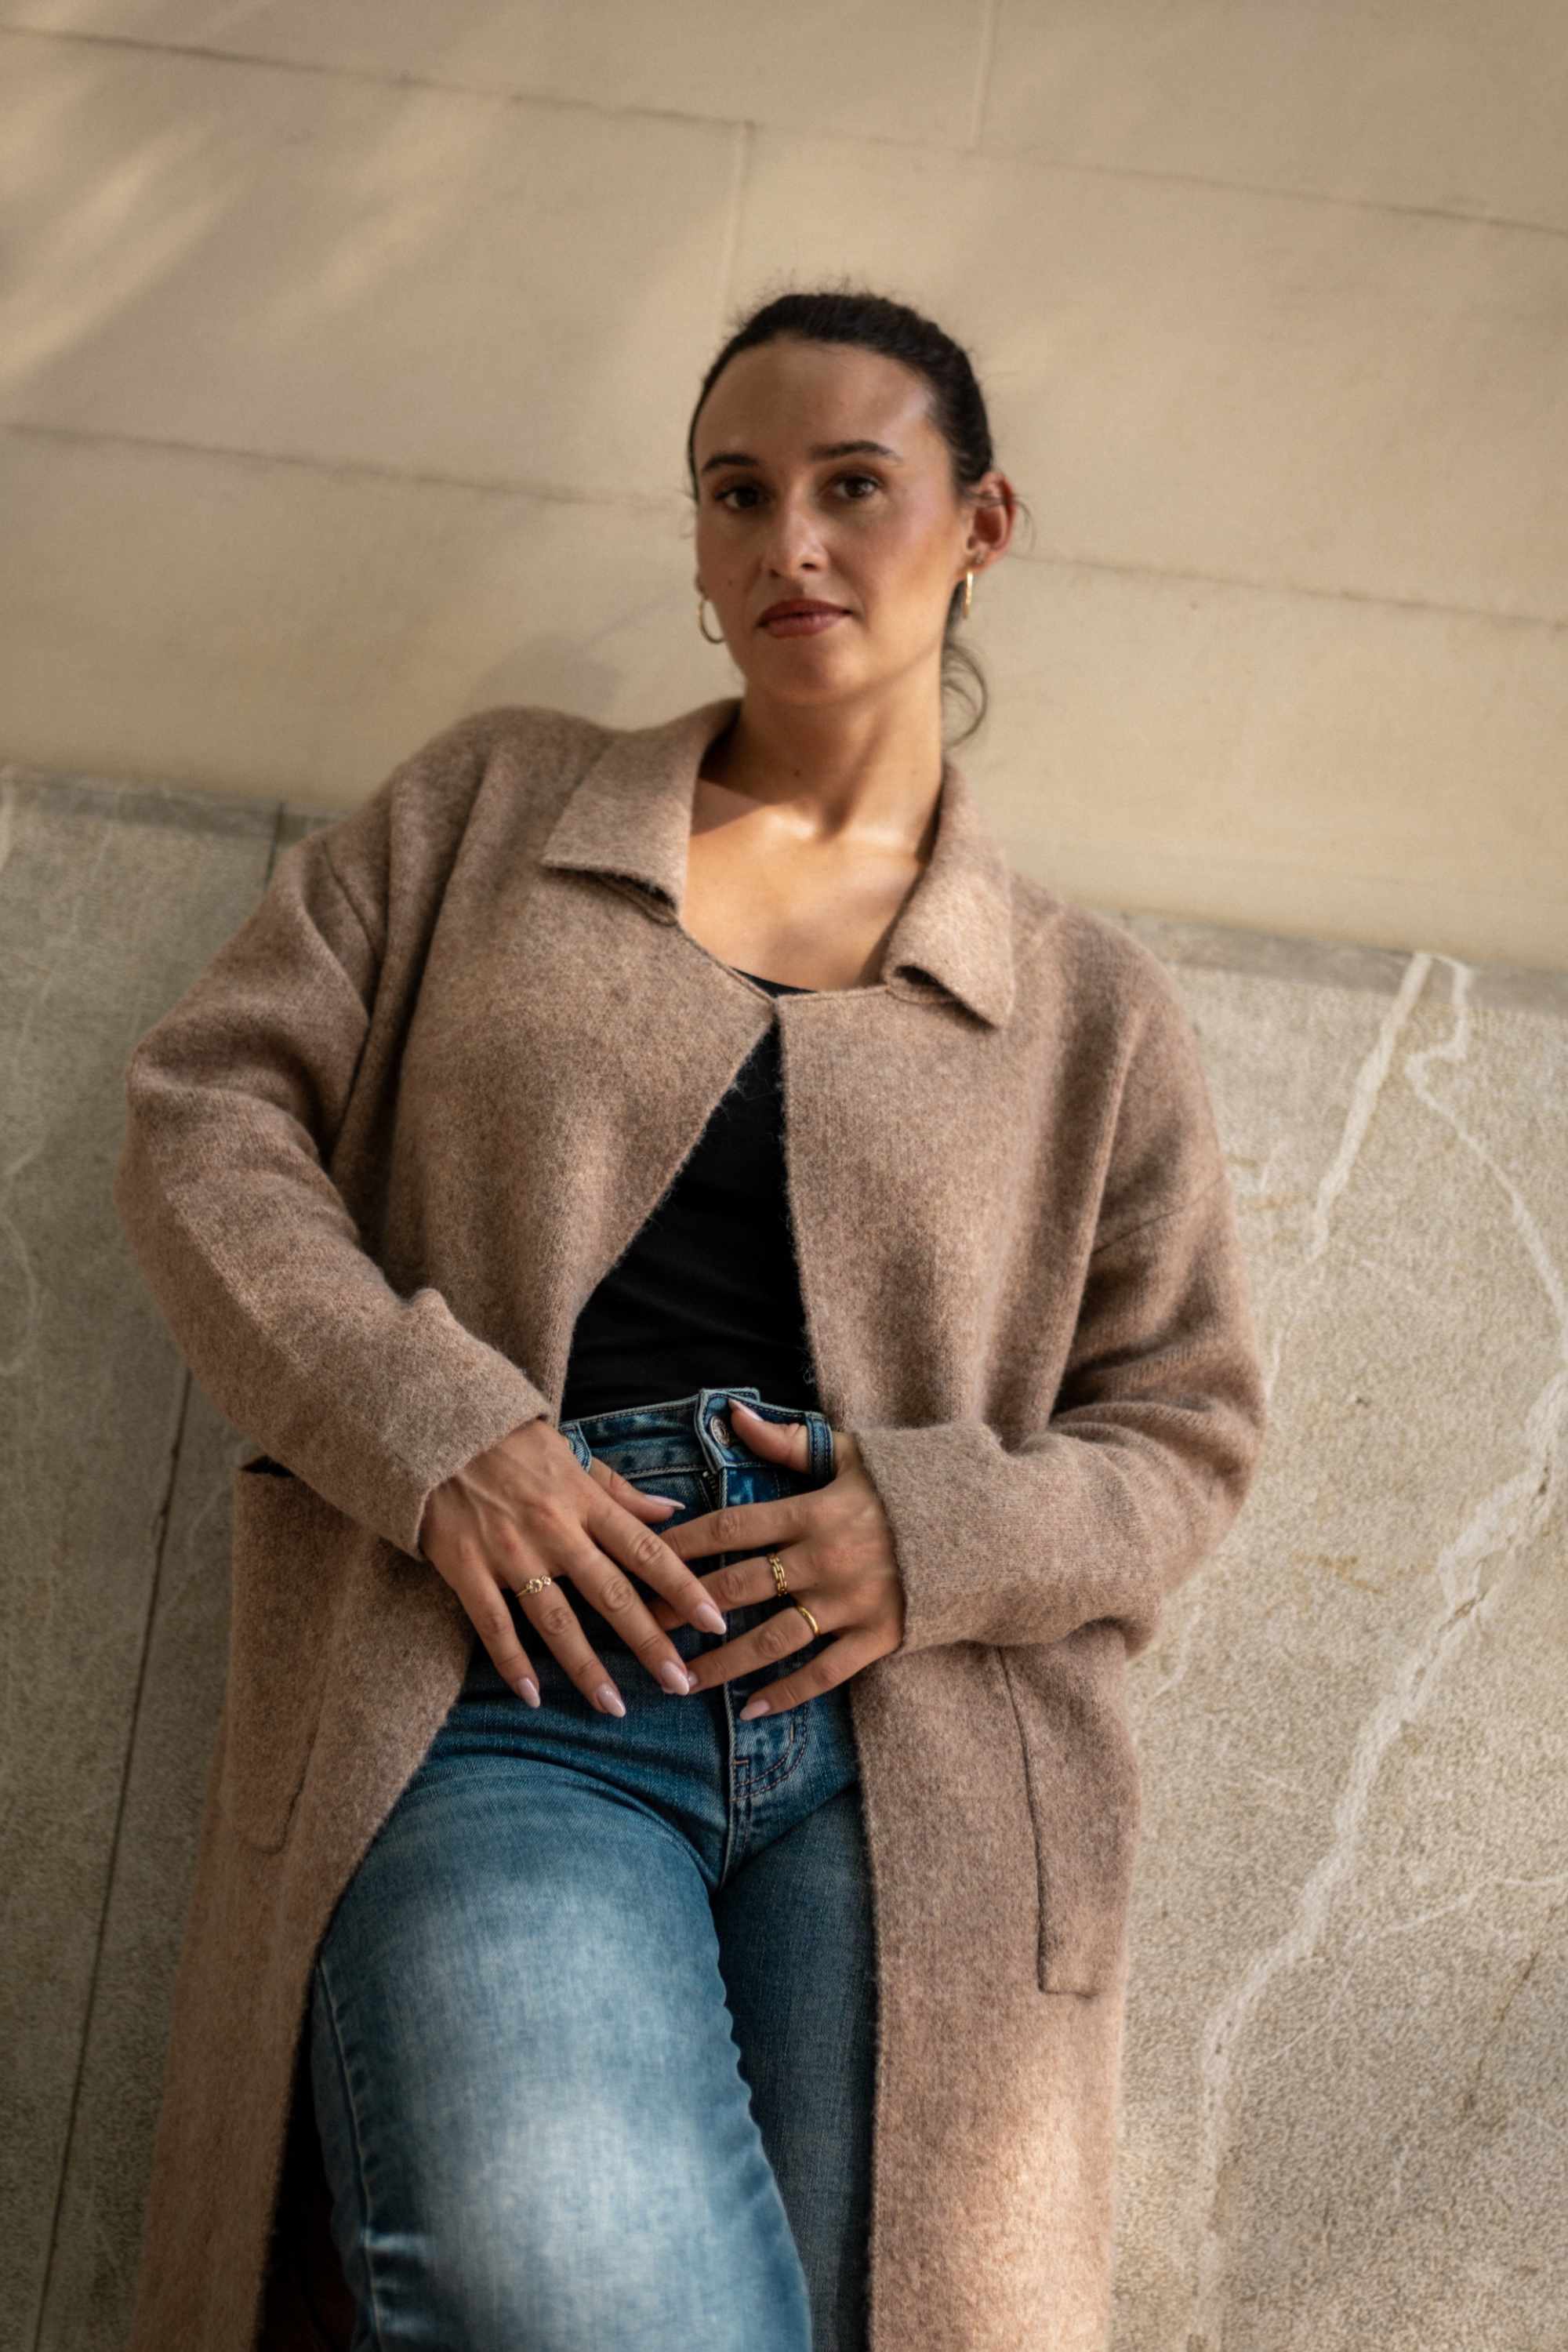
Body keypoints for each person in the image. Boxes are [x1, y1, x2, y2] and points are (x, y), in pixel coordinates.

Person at [115, 286, 1269, 2352]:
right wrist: (433, 1430)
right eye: (738, 495)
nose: (788, 542)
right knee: (587, 2292)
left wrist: (930, 1533)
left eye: (854, 486)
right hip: (503, 1669)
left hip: (906, 1748)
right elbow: (209, 1119)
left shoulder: (1089, 1009)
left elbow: (1183, 1433)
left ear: (983, 523)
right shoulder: (489, 813)